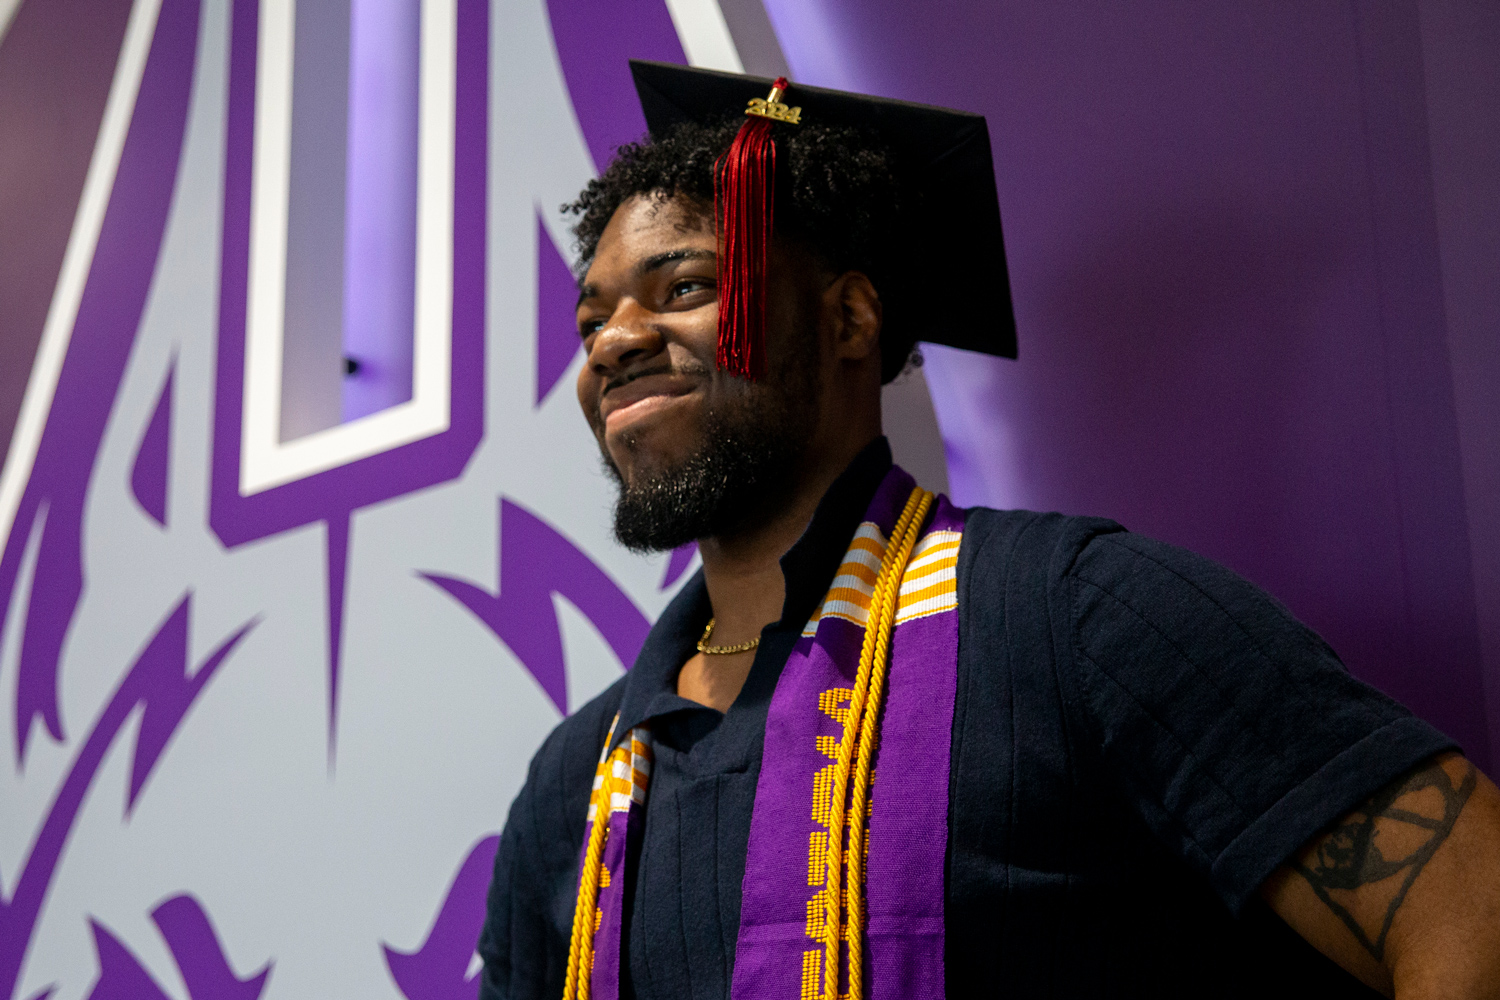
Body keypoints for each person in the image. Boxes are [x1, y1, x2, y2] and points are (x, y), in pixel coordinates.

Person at [478, 63, 1500, 999]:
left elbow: (1474, 914)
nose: (613, 341)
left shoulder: (1079, 619)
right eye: (590, 321)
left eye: (686, 288)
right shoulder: (577, 781)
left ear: (847, 320)